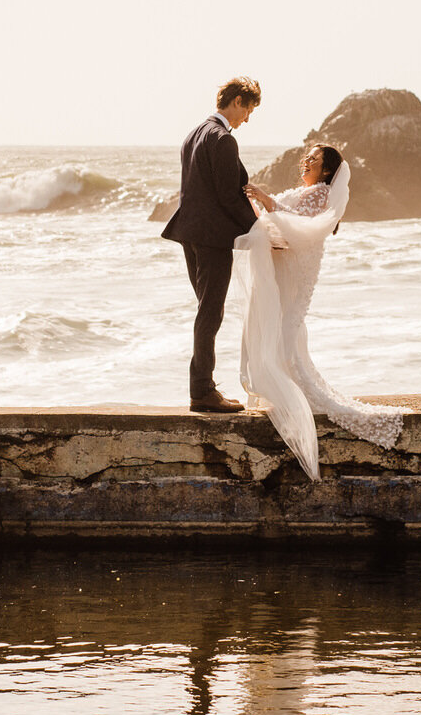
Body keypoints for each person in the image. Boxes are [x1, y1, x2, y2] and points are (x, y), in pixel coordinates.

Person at [236, 144, 403, 480]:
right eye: (307, 156)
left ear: (327, 171)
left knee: (286, 325)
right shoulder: (307, 190)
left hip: (298, 267)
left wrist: (267, 200)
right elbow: (278, 218)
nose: (307, 161)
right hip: (287, 261)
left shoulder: (321, 193)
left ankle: (294, 393)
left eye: (314, 159)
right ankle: (283, 388)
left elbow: (301, 224)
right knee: (283, 326)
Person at [162, 77, 262, 413]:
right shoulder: (222, 140)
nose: (247, 118)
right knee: (210, 312)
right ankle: (202, 391)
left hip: (189, 233)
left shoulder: (194, 134)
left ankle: (203, 387)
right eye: (248, 110)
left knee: (207, 310)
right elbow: (227, 197)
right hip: (211, 238)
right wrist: (261, 231)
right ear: (236, 101)